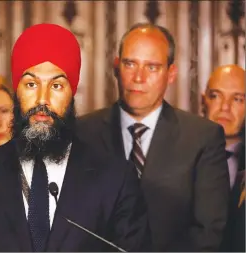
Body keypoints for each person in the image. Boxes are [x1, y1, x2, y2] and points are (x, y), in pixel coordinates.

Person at [0, 23, 150, 252]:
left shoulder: (115, 179)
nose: (42, 99)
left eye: (56, 85)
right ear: (16, 91)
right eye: (31, 84)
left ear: (72, 94)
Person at [77, 23, 230, 251]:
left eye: (152, 67)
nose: (138, 78)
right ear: (117, 67)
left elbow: (208, 233)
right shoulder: (81, 133)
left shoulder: (202, 138)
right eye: (130, 64)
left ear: (171, 74)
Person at [202, 64, 245, 252]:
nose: (225, 107)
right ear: (204, 100)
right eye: (216, 96)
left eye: (237, 99)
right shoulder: (175, 156)